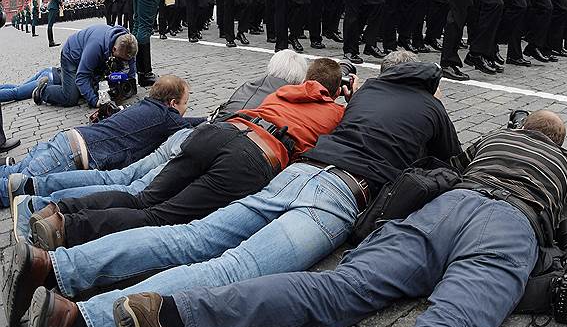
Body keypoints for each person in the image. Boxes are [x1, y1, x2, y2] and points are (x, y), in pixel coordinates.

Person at [12, 52, 461, 327]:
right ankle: (78, 323)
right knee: (236, 267)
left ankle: (56, 267)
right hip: (338, 192)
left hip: (296, 173)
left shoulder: (367, 94)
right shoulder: (429, 108)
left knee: (187, 235)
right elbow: (452, 161)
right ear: (431, 85)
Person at [108, 109, 567, 327]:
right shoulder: (565, 162)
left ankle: (177, 318)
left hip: (446, 208)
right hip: (508, 226)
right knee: (453, 323)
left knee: (339, 287)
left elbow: (458, 159)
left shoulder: (495, 139)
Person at [26, 58, 347, 252]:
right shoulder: (335, 112)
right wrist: (346, 95)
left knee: (141, 198)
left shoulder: (284, 91)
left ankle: (59, 212)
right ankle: (68, 230)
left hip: (217, 133)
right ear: (335, 91)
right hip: (253, 157)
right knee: (159, 216)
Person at [2, 75, 202, 207]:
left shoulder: (145, 106)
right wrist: (210, 119)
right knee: (7, 192)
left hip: (64, 141)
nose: (185, 109)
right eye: (186, 103)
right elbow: (192, 127)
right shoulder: (168, 118)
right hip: (68, 157)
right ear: (173, 104)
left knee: (11, 173)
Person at [33, 24, 137, 108]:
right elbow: (82, 77)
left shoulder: (127, 44)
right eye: (122, 59)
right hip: (71, 57)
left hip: (90, 56)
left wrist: (129, 85)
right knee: (70, 97)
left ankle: (64, 78)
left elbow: (130, 67)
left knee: (98, 84)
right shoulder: (96, 47)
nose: (125, 62)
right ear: (114, 49)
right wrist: (95, 101)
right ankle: (42, 91)